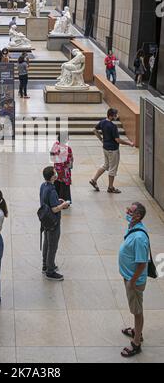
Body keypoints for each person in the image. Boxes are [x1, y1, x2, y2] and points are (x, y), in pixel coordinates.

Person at [119, 202, 149, 358]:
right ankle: (137, 331)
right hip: (130, 277)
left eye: (129, 211)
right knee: (136, 308)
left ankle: (136, 342)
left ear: (138, 216)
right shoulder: (133, 225)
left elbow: (142, 262)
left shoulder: (139, 238)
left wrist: (132, 281)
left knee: (137, 311)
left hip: (134, 281)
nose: (126, 211)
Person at [89, 108, 135, 194]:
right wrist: (129, 143)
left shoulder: (102, 122)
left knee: (106, 165)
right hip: (113, 150)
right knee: (113, 168)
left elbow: (94, 130)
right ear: (111, 116)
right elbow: (117, 140)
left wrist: (101, 139)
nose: (116, 116)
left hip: (105, 148)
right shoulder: (113, 126)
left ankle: (94, 180)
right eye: (115, 115)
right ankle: (110, 187)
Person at [40, 167, 70, 281]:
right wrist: (63, 205)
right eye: (55, 172)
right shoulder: (52, 190)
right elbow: (54, 209)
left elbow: (46, 201)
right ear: (53, 176)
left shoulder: (43, 186)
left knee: (46, 242)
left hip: (45, 220)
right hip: (53, 221)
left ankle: (45, 264)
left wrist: (58, 200)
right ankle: (50, 270)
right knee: (52, 246)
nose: (56, 173)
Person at [50, 135, 74, 204]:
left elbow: (52, 157)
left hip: (57, 170)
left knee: (57, 184)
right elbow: (70, 160)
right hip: (64, 171)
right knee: (64, 186)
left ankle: (56, 200)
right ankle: (64, 201)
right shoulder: (67, 149)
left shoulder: (55, 146)